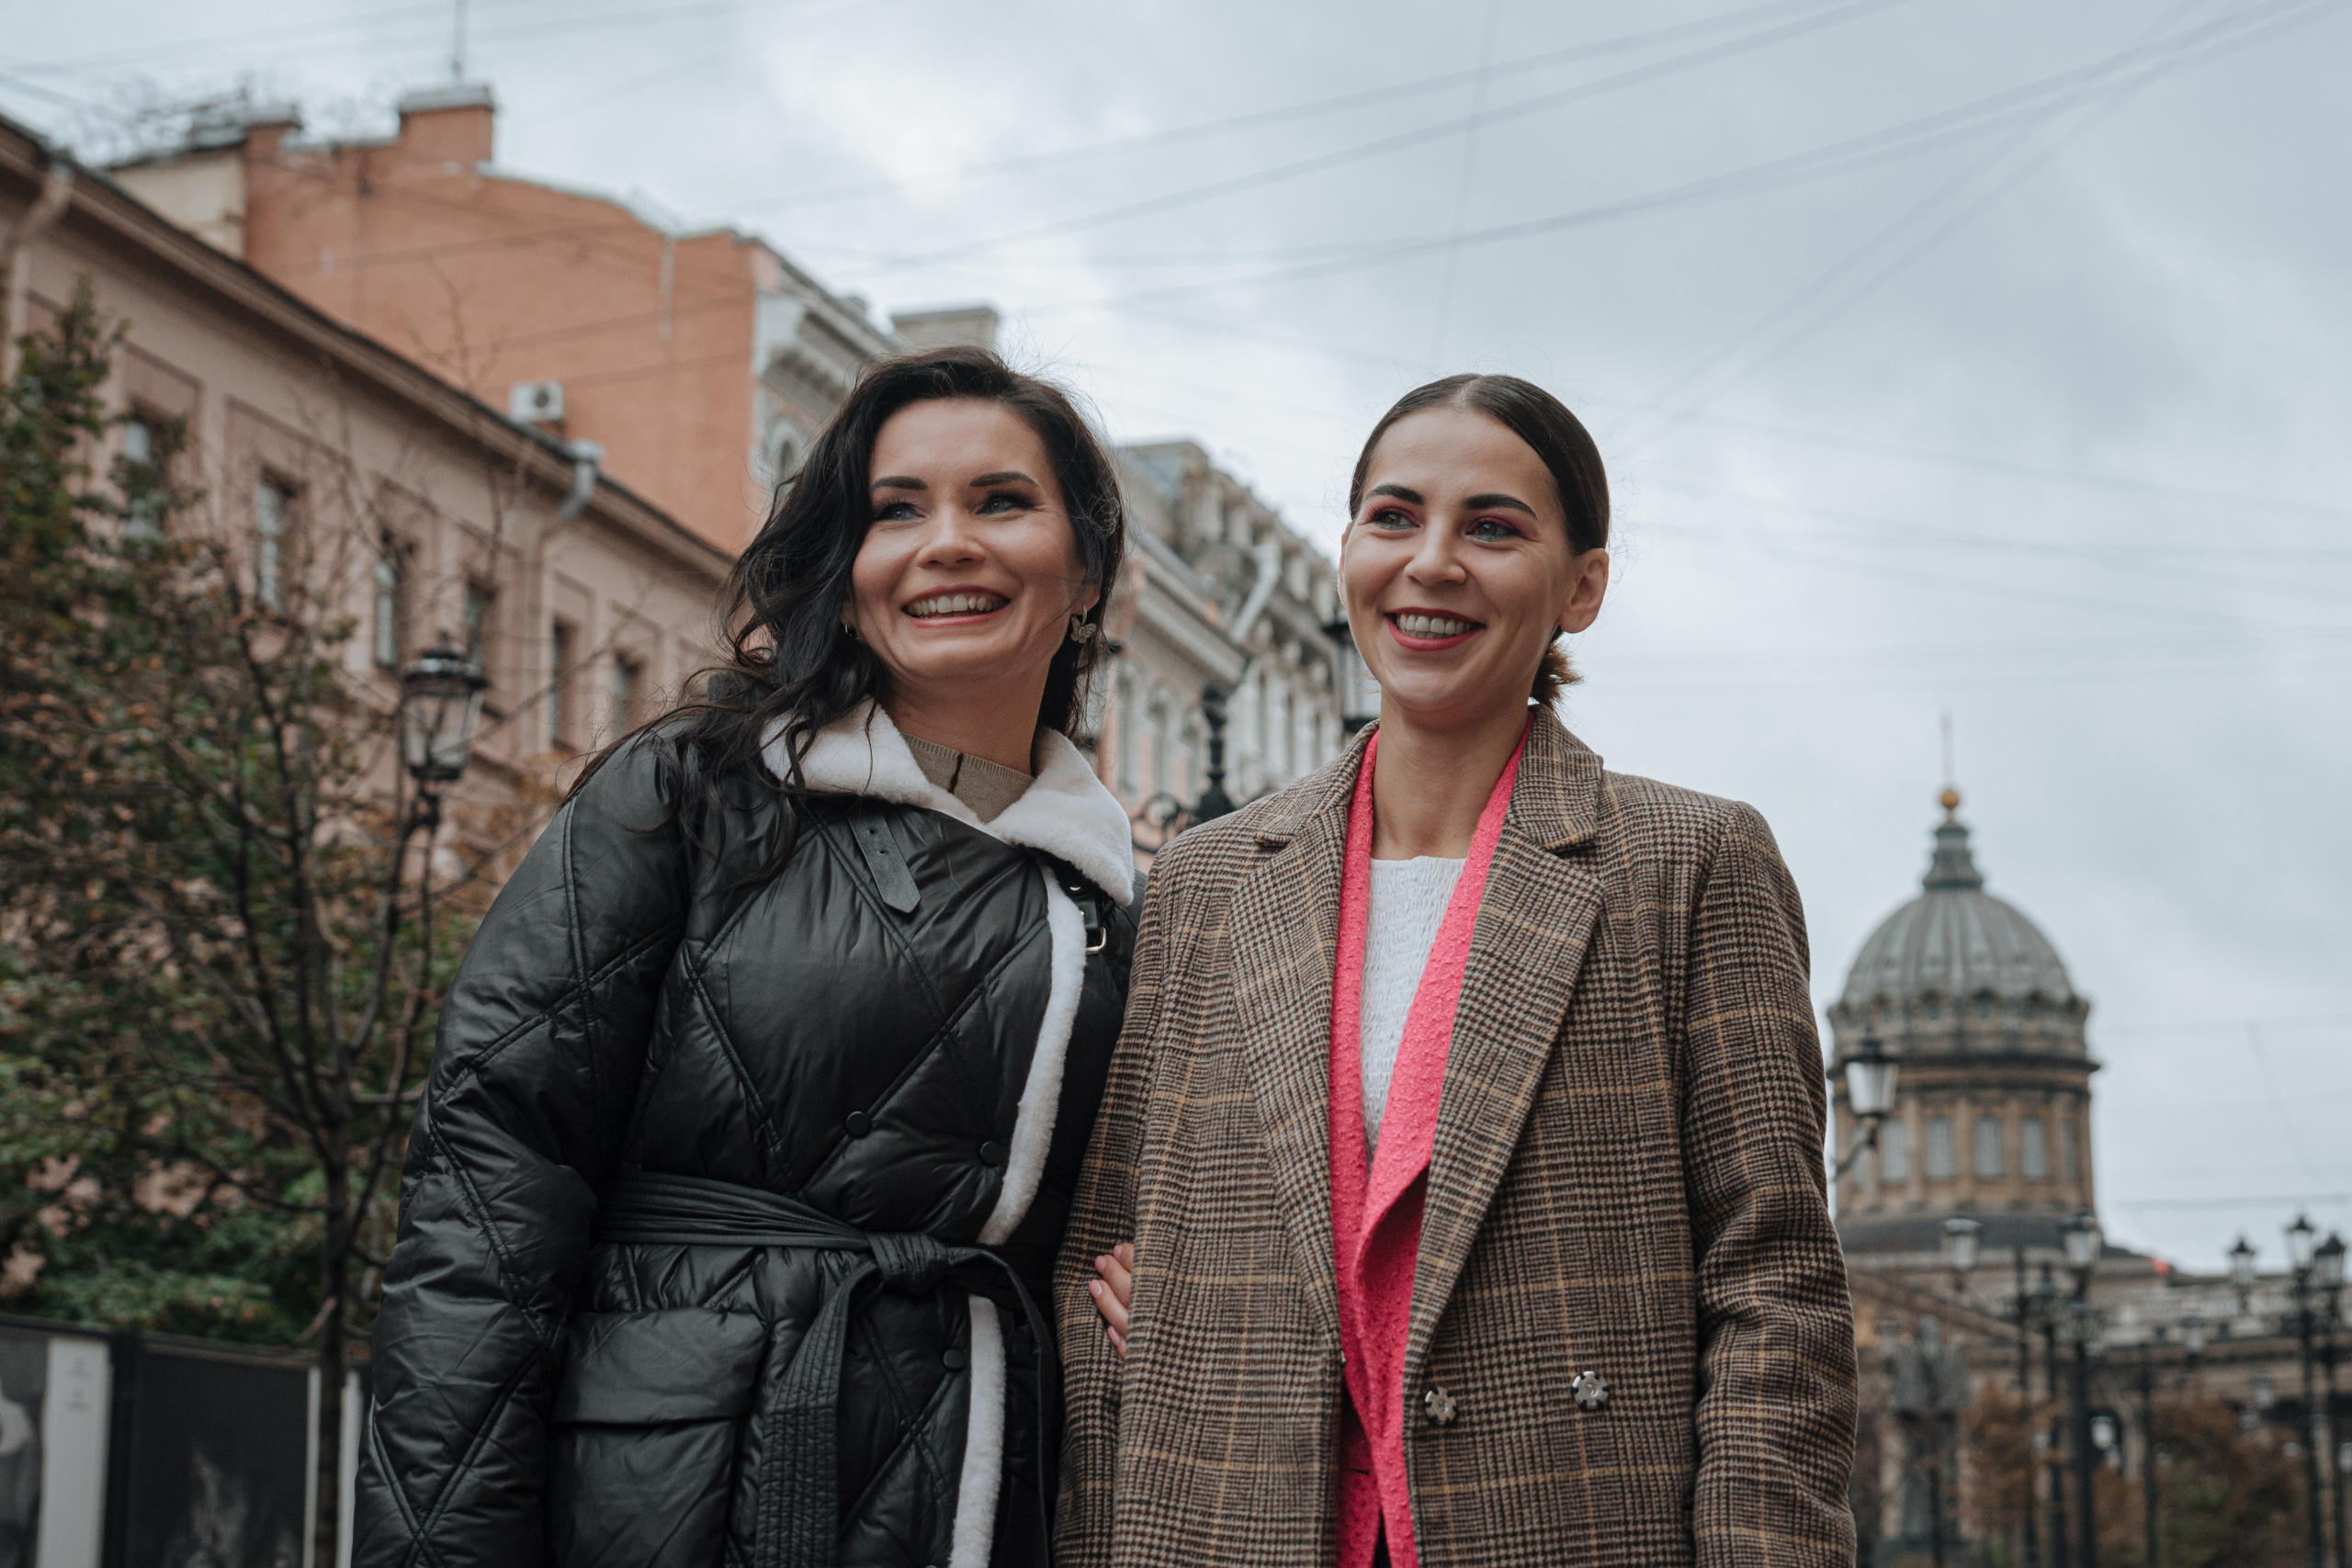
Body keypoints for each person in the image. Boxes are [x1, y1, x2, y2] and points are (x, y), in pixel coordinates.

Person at [354, 346, 1142, 1568]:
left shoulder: (1125, 902)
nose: (946, 543)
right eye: (897, 510)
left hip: (999, 1485)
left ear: (1088, 572)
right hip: (669, 1486)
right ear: (849, 565)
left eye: (1001, 501)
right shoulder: (694, 792)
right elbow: (491, 1182)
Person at [1057, 374, 1857, 1568]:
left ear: (1580, 584)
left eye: (1493, 526)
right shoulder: (1209, 880)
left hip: (1569, 1521)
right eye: (1393, 518)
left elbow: (1774, 1291)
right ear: (1348, 552)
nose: (1431, 562)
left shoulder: (1690, 864)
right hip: (1227, 1522)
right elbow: (1106, 1254)